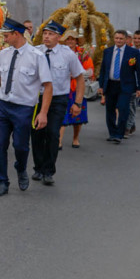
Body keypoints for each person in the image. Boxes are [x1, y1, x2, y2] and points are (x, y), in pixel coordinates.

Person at [0, 18, 52, 196]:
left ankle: (21, 168)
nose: (4, 39)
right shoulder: (4, 54)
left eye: (6, 35)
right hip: (4, 106)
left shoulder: (37, 56)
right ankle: (2, 181)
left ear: (16, 34)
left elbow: (48, 86)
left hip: (24, 108)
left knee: (21, 146)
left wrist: (43, 113)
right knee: (0, 144)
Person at [30, 21, 84, 186]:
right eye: (45, 33)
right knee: (37, 134)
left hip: (58, 99)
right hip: (37, 98)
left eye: (51, 34)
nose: (47, 36)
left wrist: (78, 103)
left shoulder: (67, 54)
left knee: (53, 134)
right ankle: (38, 168)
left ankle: (48, 170)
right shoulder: (35, 52)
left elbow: (80, 78)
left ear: (59, 37)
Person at [98, 30, 140, 144]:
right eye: (116, 38)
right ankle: (112, 133)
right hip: (110, 84)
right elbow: (103, 69)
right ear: (114, 39)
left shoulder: (133, 52)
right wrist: (101, 86)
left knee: (123, 108)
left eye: (121, 38)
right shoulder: (108, 51)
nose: (118, 40)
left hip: (126, 86)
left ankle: (119, 134)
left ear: (126, 39)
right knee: (110, 110)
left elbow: (139, 71)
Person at [59, 29, 92, 149]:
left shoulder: (83, 54)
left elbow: (89, 71)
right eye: (68, 39)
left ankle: (75, 138)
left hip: (78, 88)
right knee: (61, 114)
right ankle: (59, 141)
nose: (70, 41)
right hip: (63, 87)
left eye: (72, 39)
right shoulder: (60, 52)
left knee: (78, 116)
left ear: (76, 41)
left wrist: (76, 74)